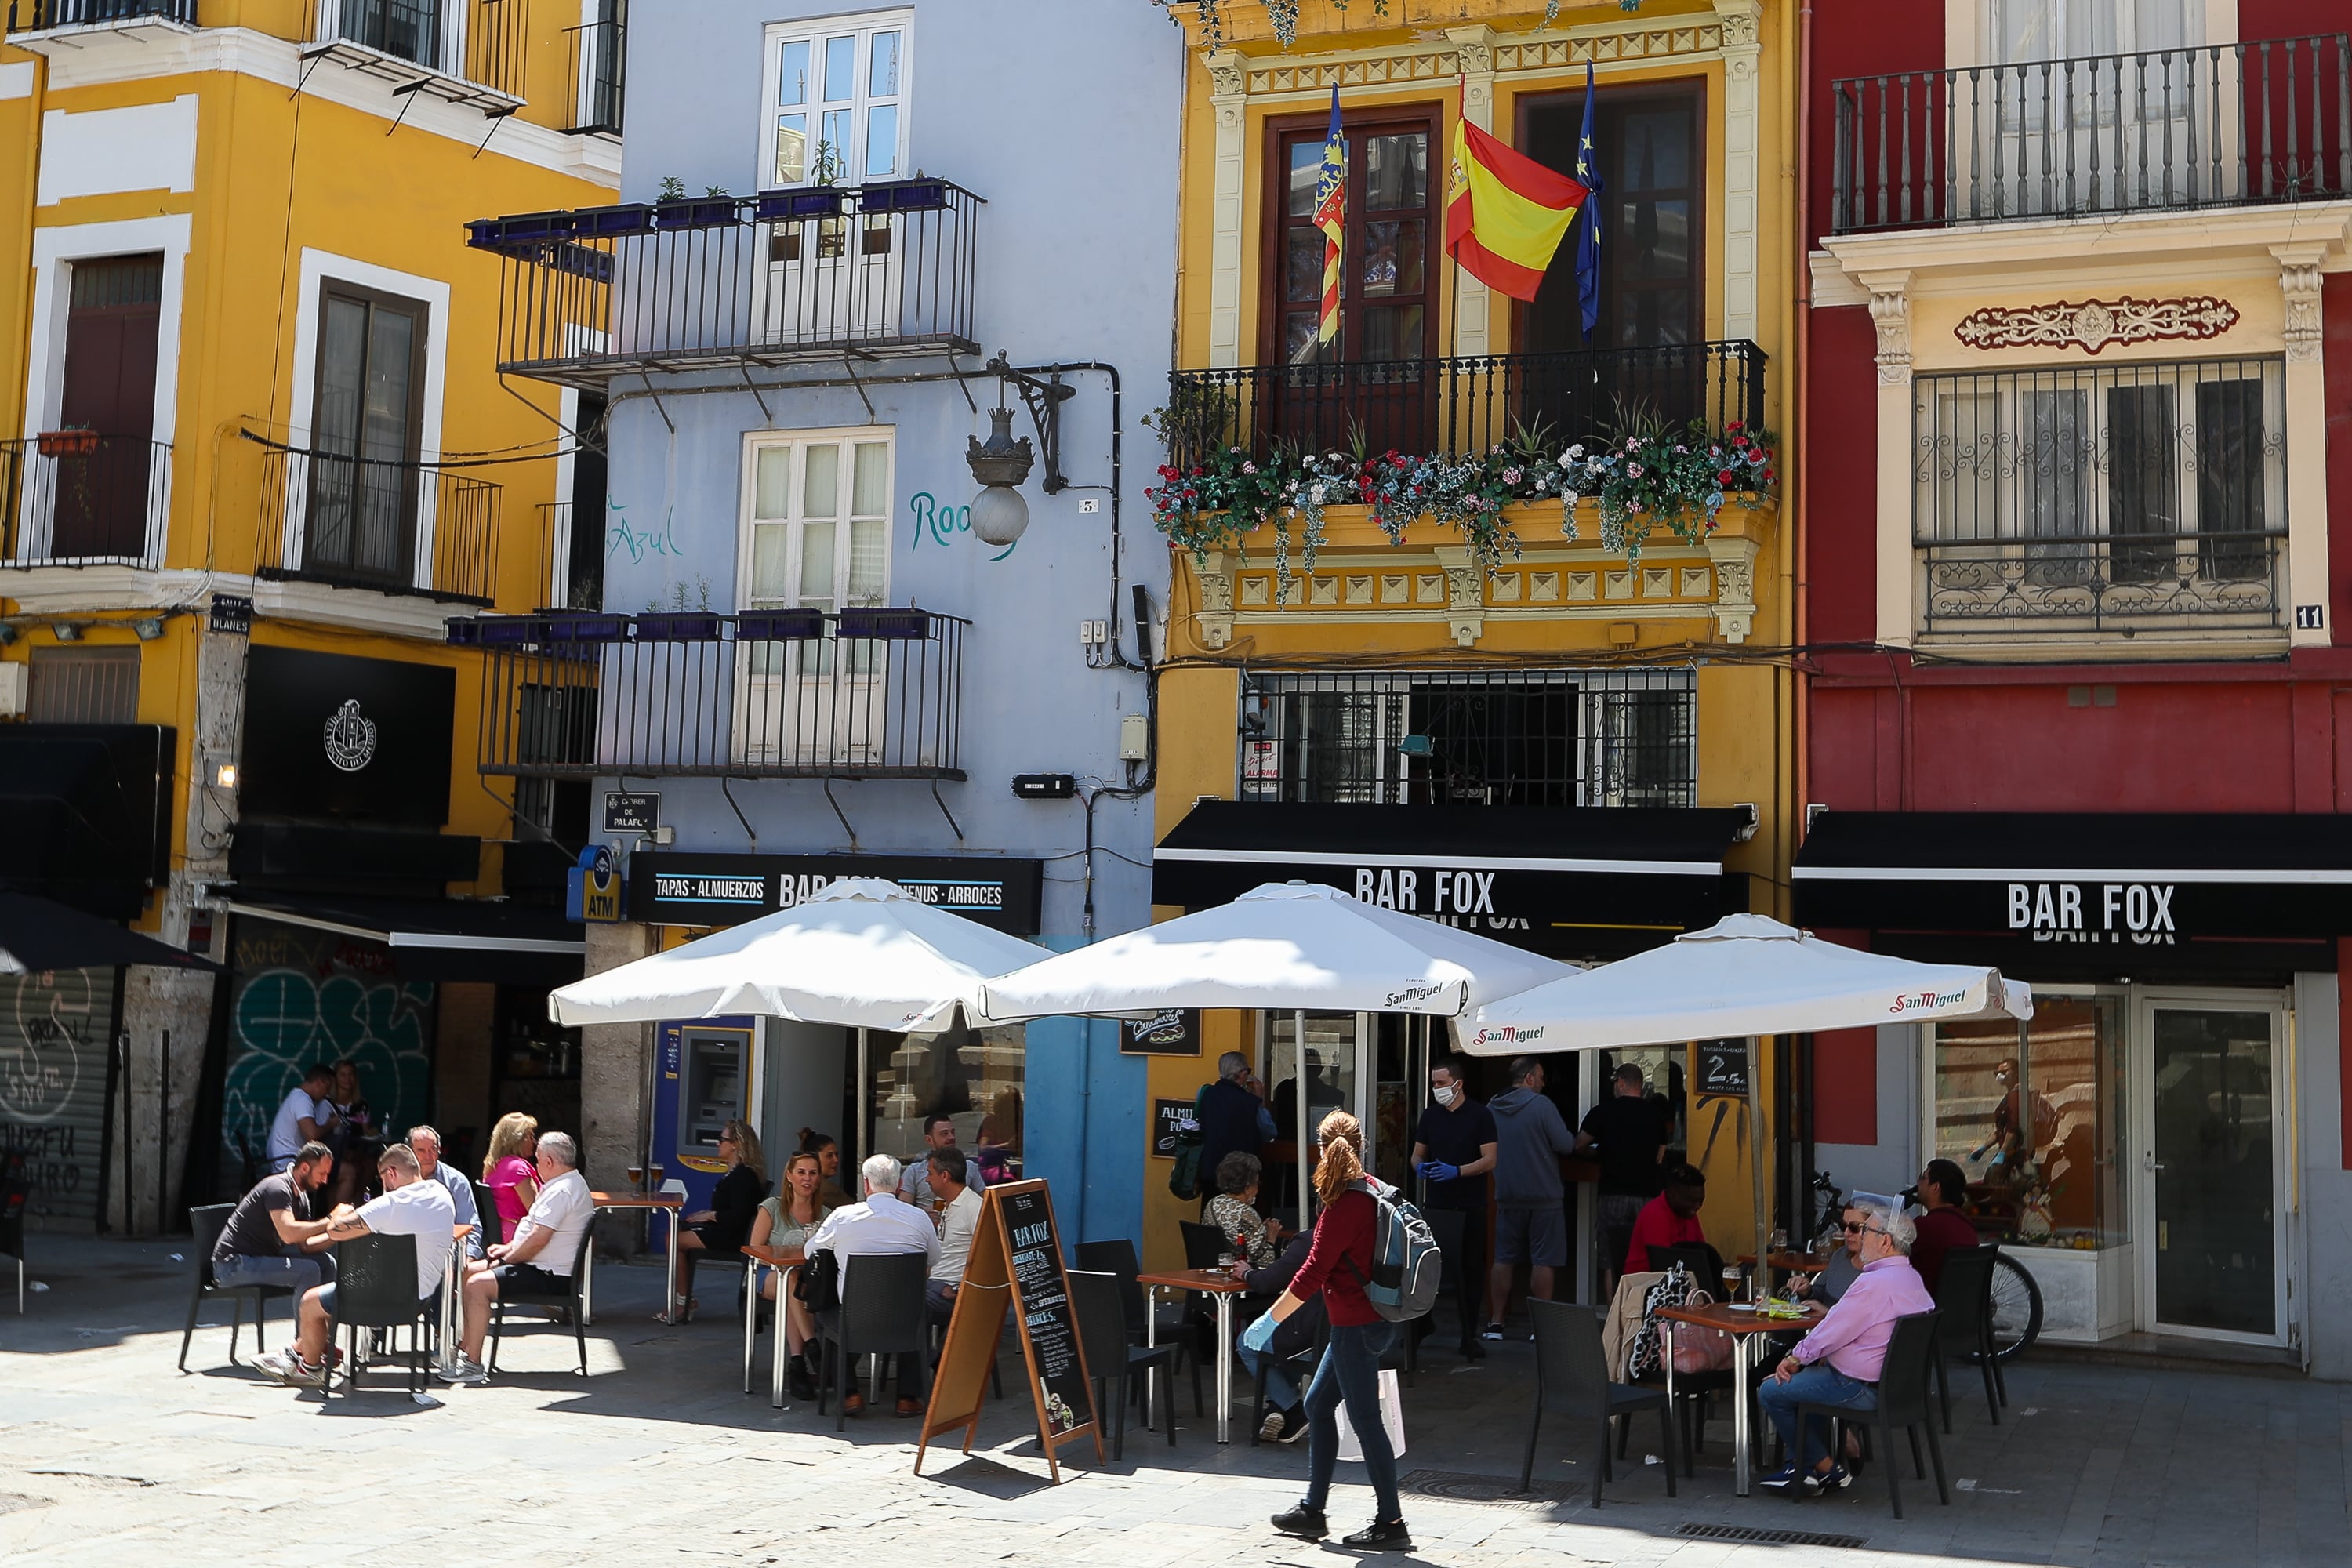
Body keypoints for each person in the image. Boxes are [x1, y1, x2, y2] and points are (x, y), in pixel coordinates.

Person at [1252, 1110, 1410, 1552]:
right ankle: (1312, 1511)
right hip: (1370, 1320)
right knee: (1320, 1405)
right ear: (1362, 1147)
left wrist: (1271, 1321)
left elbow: (1310, 1273)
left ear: (1321, 1149)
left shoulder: (1344, 1203)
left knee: (1365, 1420)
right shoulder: (1373, 1189)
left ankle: (1391, 1521)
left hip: (1356, 1326)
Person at [1758, 1200, 1934, 1495]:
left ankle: (1827, 1468)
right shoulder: (1912, 1278)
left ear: (1885, 1241)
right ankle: (1803, 1470)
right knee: (1805, 1381)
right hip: (1899, 1391)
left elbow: (1832, 1330)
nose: (1860, 1236)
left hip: (1859, 1387)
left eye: (1866, 1230)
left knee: (1771, 1390)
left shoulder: (1875, 1282)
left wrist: (1793, 1358)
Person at [253, 1143, 456, 1388]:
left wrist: (337, 1214)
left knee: (310, 1302)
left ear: (391, 1173)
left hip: (378, 1298)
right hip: (420, 1297)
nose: (384, 1187)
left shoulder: (389, 1205)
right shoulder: (442, 1194)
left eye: (383, 1179)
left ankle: (309, 1367)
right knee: (334, 1288)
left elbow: (339, 1230)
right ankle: (294, 1353)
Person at [445, 1131, 593, 1384]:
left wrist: (507, 1259)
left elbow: (539, 1239)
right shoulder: (566, 1184)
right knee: (468, 1270)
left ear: (549, 1162)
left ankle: (473, 1364)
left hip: (548, 1274)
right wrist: (508, 1248)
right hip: (541, 1266)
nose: (536, 1165)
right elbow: (534, 1230)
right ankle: (465, 1347)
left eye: (537, 1160)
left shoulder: (563, 1191)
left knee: (476, 1285)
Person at [804, 1152, 939, 1417]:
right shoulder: (920, 1218)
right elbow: (934, 1258)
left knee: (824, 1314)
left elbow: (811, 1251)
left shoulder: (843, 1216)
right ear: (899, 1185)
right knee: (920, 1311)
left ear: (866, 1184)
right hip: (905, 1319)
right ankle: (907, 1397)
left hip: (853, 1318)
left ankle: (849, 1393)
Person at [1410, 1054, 1497, 1359]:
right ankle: (1423, 1324)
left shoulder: (1480, 1116)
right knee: (1427, 1271)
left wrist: (1458, 1171)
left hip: (1470, 1206)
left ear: (1458, 1084)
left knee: (1470, 1274)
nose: (1437, 1088)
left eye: (1442, 1083)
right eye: (1434, 1083)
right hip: (1436, 1205)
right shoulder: (1430, 1116)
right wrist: (1419, 1167)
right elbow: (1416, 1155)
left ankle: (1469, 1335)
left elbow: (1490, 1159)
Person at [1485, 1055, 1575, 1339]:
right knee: (1543, 1260)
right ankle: (1540, 1325)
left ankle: (1496, 1322)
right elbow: (1565, 1144)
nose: (1544, 1083)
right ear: (1530, 1078)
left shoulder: (1492, 1107)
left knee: (1503, 1258)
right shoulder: (1542, 1106)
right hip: (1543, 1195)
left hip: (1507, 1193)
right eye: (1542, 1077)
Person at [1577, 1062, 1668, 1298]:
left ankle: (1613, 1320)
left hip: (1612, 1192)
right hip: (1647, 1196)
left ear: (1620, 1082)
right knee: (1646, 1255)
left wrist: (1598, 1152)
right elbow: (1659, 1157)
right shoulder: (1656, 1116)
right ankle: (1641, 1315)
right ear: (1640, 1084)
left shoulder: (1603, 1112)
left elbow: (1579, 1145)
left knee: (1610, 1257)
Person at [751, 1149, 837, 1399]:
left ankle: (797, 1363)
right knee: (791, 1281)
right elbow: (754, 1251)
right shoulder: (773, 1208)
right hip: (766, 1274)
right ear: (789, 1176)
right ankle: (813, 1347)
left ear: (819, 1178)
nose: (807, 1178)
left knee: (794, 1288)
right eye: (801, 1173)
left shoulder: (826, 1215)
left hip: (805, 1282)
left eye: (812, 1173)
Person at [1231, 1216, 1322, 1443]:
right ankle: (1276, 1407)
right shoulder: (1362, 1239)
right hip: (1340, 1336)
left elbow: (1268, 1282)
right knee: (1281, 1347)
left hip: (1307, 1337)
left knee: (1247, 1343)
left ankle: (1293, 1410)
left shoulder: (1311, 1240)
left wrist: (1246, 1272)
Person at [213, 1141, 343, 1300]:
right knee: (308, 1270)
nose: (325, 1181)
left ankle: (322, 1323)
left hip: (257, 1260)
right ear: (304, 1168)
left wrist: (337, 1230)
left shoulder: (301, 1198)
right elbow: (288, 1234)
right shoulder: (278, 1188)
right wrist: (330, 1219)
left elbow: (306, 1246)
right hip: (232, 1266)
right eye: (322, 1174)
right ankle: (307, 1325)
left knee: (327, 1264)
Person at [672, 1120, 770, 1317]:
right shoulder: (736, 1173)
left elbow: (738, 1216)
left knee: (675, 1240)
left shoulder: (743, 1176)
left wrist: (711, 1216)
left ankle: (683, 1302)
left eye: (722, 1139)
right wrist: (708, 1215)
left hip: (732, 1236)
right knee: (675, 1233)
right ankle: (683, 1298)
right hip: (726, 1230)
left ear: (736, 1144)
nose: (718, 1144)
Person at [1195, 1051, 1276, 1207]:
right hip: (1240, 1177)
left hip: (1210, 1170)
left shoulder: (1205, 1093)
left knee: (1211, 1216)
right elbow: (1270, 1132)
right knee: (1239, 1221)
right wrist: (1259, 1101)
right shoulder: (1250, 1102)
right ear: (1241, 1074)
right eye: (1248, 1071)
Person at [408, 1124, 484, 1261]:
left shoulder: (457, 1182)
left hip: (446, 1259)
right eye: (421, 1150)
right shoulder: (398, 1177)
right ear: (410, 1152)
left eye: (433, 1149)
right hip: (408, 1255)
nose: (428, 1156)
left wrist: (467, 1260)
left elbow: (471, 1227)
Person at [925, 1146, 982, 1321]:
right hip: (933, 1285)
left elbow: (990, 1254)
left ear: (945, 1176)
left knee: (907, 1303)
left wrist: (961, 1288)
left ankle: (922, 1349)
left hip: (949, 1290)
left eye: (930, 1173)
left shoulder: (974, 1206)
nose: (926, 1179)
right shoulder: (948, 1204)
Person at [1908, 1158, 1980, 1296]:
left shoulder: (1925, 1226)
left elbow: (1891, 1255)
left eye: (1922, 1178)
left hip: (1924, 1306)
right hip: (1958, 1306)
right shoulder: (1967, 1226)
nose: (1918, 1183)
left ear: (1935, 1187)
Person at [1624, 1163, 1708, 1277]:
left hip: (1678, 1278)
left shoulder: (1688, 1213)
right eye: (1692, 1200)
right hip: (1646, 1283)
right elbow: (1664, 1264)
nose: (1697, 1206)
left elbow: (1702, 1253)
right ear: (1674, 1193)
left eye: (1701, 1201)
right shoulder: (1655, 1214)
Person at [1207, 1151, 1281, 1269]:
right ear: (1247, 1188)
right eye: (1257, 1184)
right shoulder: (1247, 1214)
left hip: (1212, 1269)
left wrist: (1260, 1229)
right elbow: (1265, 1262)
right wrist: (1271, 1238)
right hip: (1237, 1273)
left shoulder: (1213, 1204)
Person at [896, 1114, 985, 1210]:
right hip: (927, 1223)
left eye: (952, 1132)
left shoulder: (969, 1167)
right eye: (944, 1133)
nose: (951, 1137)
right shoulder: (914, 1171)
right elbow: (903, 1211)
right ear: (929, 1140)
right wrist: (925, 1212)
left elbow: (985, 1204)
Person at [1792, 1201, 1868, 1308]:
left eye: (1854, 1227)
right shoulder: (1841, 1255)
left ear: (1875, 1229)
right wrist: (1806, 1290)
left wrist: (1828, 1313)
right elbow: (1819, 1293)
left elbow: (1866, 1319)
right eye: (1843, 1226)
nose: (1846, 1233)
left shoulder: (1882, 1271)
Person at [481, 1112, 540, 1243]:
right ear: (517, 1140)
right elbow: (536, 1210)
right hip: (520, 1236)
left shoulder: (492, 1166)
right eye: (530, 1136)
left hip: (503, 1232)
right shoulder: (517, 1168)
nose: (534, 1142)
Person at [265, 1065, 336, 1173]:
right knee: (347, 1172)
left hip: (282, 1159)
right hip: (287, 1163)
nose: (327, 1094)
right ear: (319, 1083)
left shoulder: (297, 1096)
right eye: (327, 1088)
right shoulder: (303, 1100)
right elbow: (312, 1136)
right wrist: (330, 1124)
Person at [798, 1129, 854, 1210]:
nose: (836, 1160)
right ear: (814, 1158)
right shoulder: (825, 1189)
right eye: (829, 1156)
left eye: (836, 1155)